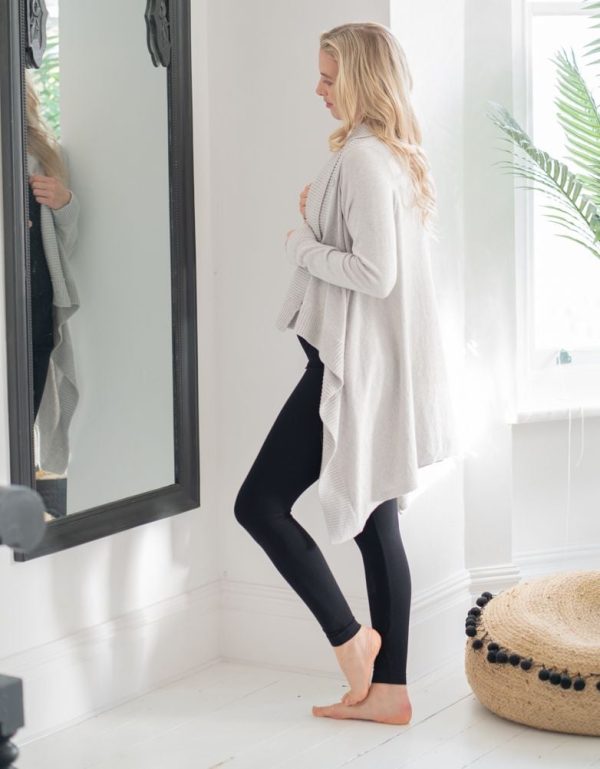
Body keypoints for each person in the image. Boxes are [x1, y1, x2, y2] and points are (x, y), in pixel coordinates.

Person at [234, 22, 459, 725]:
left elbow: (374, 272)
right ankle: (389, 691)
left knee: (259, 505)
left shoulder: (363, 159)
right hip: (372, 365)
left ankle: (352, 639)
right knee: (375, 518)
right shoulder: (389, 155)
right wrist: (317, 218)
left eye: (330, 78)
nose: (319, 89)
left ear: (362, 80)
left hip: (351, 366)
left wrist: (300, 240)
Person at [24, 68, 81, 475]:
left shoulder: (46, 154)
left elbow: (67, 244)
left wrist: (64, 203)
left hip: (38, 301)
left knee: (24, 408)